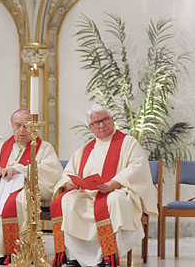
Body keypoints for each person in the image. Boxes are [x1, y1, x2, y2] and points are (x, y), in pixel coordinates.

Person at [50, 104, 158, 267]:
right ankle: (75, 255)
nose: (102, 125)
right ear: (91, 127)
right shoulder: (86, 149)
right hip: (88, 192)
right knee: (66, 201)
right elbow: (68, 172)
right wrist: (69, 183)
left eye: (105, 120)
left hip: (118, 190)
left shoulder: (128, 143)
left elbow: (137, 168)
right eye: (97, 123)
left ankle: (108, 255)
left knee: (113, 200)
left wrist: (113, 184)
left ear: (112, 120)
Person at [0, 107, 63, 264]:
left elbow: (51, 172)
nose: (22, 130)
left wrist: (20, 169)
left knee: (17, 201)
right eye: (17, 125)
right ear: (12, 125)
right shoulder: (1, 147)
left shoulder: (44, 148)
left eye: (26, 125)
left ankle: (13, 251)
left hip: (25, 190)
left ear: (34, 126)